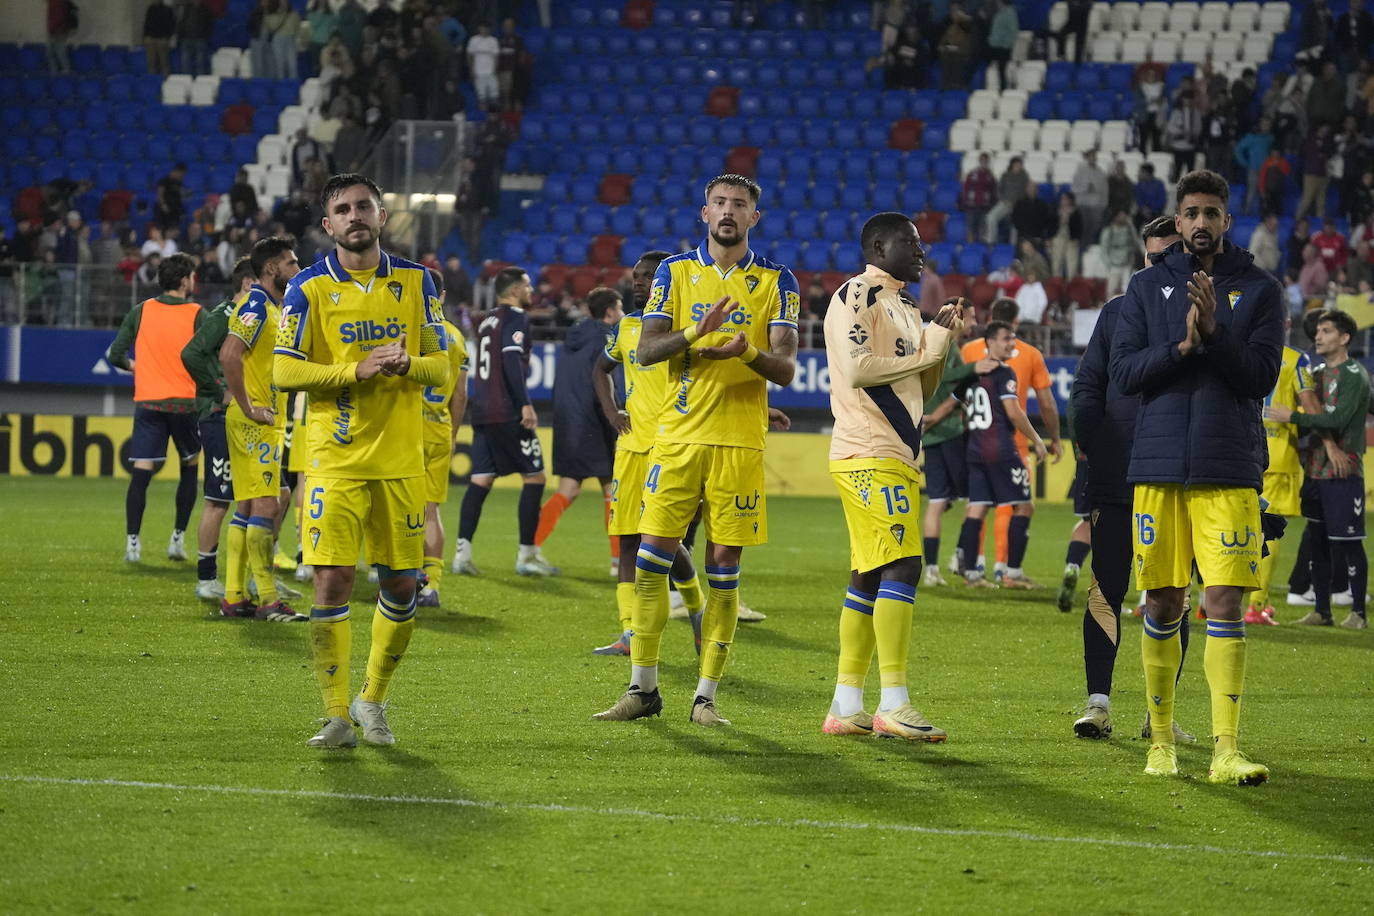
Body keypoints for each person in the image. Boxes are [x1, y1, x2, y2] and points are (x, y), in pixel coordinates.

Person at [592, 174, 799, 727]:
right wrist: (692, 334)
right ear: (703, 212)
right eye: (720, 203)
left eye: (740, 205)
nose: (728, 212)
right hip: (677, 440)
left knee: (724, 569)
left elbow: (785, 368)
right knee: (650, 559)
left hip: (738, 442)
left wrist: (747, 352)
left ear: (755, 217)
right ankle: (643, 688)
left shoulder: (779, 280)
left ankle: (705, 697)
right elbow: (649, 349)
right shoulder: (673, 272)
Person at [1109, 169, 1284, 785]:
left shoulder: (1260, 290)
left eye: (1213, 212)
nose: (1202, 223)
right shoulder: (1146, 287)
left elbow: (1261, 377)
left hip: (1228, 468)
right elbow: (1125, 373)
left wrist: (1213, 334)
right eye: (1192, 213)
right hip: (1157, 469)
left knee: (1225, 601)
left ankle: (1226, 749)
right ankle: (1161, 745)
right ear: (1177, 221)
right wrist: (1180, 349)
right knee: (1162, 601)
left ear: (1226, 221)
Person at [273, 173, 451, 748]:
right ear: (328, 225)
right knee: (332, 581)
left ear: (381, 216)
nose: (355, 216)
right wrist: (357, 370)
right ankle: (335, 715)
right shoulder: (306, 289)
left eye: (364, 207)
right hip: (334, 460)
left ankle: (372, 699)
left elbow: (441, 367)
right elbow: (283, 372)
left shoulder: (417, 282)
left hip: (401, 462)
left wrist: (404, 366)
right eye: (343, 209)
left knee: (403, 585)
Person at [822, 213, 963, 740]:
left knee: (871, 574)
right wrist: (927, 348)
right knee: (905, 563)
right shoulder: (857, 294)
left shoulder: (905, 305)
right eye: (910, 241)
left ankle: (846, 703)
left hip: (896, 454)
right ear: (879, 246)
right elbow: (859, 368)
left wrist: (939, 337)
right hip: (868, 450)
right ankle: (895, 702)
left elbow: (919, 387)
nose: (921, 250)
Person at [1070, 216, 1197, 740]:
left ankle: (1158, 715)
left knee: (1173, 593)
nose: (1159, 265)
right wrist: (1089, 451)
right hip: (1118, 477)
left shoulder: (1206, 316)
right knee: (1107, 586)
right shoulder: (1117, 313)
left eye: (1170, 255)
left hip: (1179, 478)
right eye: (1151, 257)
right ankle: (1098, 703)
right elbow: (1087, 388)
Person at [591, 251, 708, 656]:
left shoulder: (683, 329)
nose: (639, 282)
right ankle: (629, 633)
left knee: (664, 541)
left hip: (672, 447)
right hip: (631, 448)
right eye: (637, 277)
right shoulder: (626, 327)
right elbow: (599, 370)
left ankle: (696, 609)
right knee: (626, 540)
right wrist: (612, 412)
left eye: (649, 277)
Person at [451, 267, 558, 577]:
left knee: (481, 480)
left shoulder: (487, 320)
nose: (531, 289)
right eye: (526, 285)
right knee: (535, 477)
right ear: (513, 290)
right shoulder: (515, 319)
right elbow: (511, 362)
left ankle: (462, 554)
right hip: (507, 411)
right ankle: (526, 556)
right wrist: (525, 404)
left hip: (483, 410)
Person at [1266, 310, 1370, 630]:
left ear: (1344, 338)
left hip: (1343, 472)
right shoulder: (1318, 372)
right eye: (1318, 331)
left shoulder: (1355, 374)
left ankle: (1358, 613)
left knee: (1349, 543)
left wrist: (1292, 417)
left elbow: (1336, 420)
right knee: (1319, 541)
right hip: (1315, 470)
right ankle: (1322, 610)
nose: (1318, 336)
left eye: (1326, 331)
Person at [217, 237, 303, 621]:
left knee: (249, 506)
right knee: (268, 505)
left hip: (257, 417)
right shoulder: (255, 304)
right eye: (292, 263)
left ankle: (235, 595)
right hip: (257, 421)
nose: (297, 269)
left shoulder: (272, 307)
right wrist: (249, 406)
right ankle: (268, 600)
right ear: (272, 268)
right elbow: (228, 353)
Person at [108, 252, 206, 564]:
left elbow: (116, 354)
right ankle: (177, 540)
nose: (194, 281)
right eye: (191, 275)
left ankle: (132, 544)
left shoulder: (142, 310)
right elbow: (209, 357)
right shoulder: (197, 313)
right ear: (183, 280)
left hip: (149, 402)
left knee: (141, 474)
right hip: (184, 404)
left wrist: (135, 366)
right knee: (189, 466)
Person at [959, 298, 1063, 584]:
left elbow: (954, 400)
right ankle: (1012, 572)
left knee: (977, 507)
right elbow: (1015, 411)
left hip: (975, 447)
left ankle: (971, 571)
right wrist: (1040, 440)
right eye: (1007, 340)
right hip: (1003, 448)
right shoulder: (1007, 370)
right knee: (1023, 505)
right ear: (991, 340)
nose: (1012, 345)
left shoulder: (970, 361)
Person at [181, 256, 254, 601]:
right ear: (248, 284)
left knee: (264, 498)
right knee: (218, 499)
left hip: (249, 417)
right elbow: (191, 353)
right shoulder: (223, 315)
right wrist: (217, 390)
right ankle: (206, 578)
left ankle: (254, 577)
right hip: (218, 417)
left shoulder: (255, 316)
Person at [534, 287, 623, 567]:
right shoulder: (607, 339)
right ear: (609, 312)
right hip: (594, 419)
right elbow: (609, 382)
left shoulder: (573, 336)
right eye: (619, 309)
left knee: (569, 489)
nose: (622, 314)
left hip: (568, 420)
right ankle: (619, 560)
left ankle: (529, 548)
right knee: (613, 489)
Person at [1242, 316, 1321, 625]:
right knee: (1271, 530)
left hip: (1240, 452)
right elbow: (1310, 409)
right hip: (1278, 456)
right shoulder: (1295, 359)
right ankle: (1255, 606)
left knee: (1235, 526)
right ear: (1287, 321)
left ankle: (1209, 600)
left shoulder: (1241, 352)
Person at [416, 268, 469, 609]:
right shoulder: (456, 338)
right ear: (443, 297)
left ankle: (400, 576)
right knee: (431, 510)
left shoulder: (416, 332)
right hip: (439, 429)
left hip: (409, 431)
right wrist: (452, 435)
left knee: (400, 507)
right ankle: (431, 584)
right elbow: (460, 395)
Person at [983, 157, 1029, 245]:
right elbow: (999, 190)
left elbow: (1024, 193)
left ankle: (1013, 245)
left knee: (1016, 222)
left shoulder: (1024, 177)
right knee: (990, 217)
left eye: (1020, 165)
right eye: (1016, 164)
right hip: (1005, 202)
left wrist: (1016, 202)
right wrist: (1003, 200)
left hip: (1018, 204)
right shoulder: (1005, 175)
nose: (1018, 166)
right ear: (1012, 165)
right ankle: (992, 241)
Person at [1100, 209, 1144, 298]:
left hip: (1127, 263)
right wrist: (1108, 263)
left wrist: (1131, 226)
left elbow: (1136, 242)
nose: (1123, 218)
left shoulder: (1129, 229)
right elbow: (1104, 249)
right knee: (1111, 289)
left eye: (1124, 216)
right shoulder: (1109, 231)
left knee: (1126, 288)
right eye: (1120, 216)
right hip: (1114, 264)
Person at [1072, 150, 1109, 243]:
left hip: (1096, 206)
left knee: (1095, 228)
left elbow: (1104, 190)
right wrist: (1086, 188)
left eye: (1094, 156)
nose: (1093, 158)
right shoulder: (1080, 170)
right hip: (1083, 205)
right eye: (1091, 156)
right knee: (1084, 228)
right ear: (1087, 157)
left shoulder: (1100, 172)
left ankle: (1091, 245)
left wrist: (1103, 205)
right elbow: (1074, 188)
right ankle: (1083, 247)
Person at [467, 23, 500, 110]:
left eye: (485, 28)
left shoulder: (493, 40)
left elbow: (496, 57)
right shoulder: (473, 40)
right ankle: (482, 115)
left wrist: (495, 71)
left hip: (490, 72)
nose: (483, 30)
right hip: (478, 72)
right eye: (482, 28)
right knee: (481, 97)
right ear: (479, 28)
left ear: (489, 29)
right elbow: (470, 56)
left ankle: (493, 116)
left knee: (494, 96)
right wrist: (471, 70)